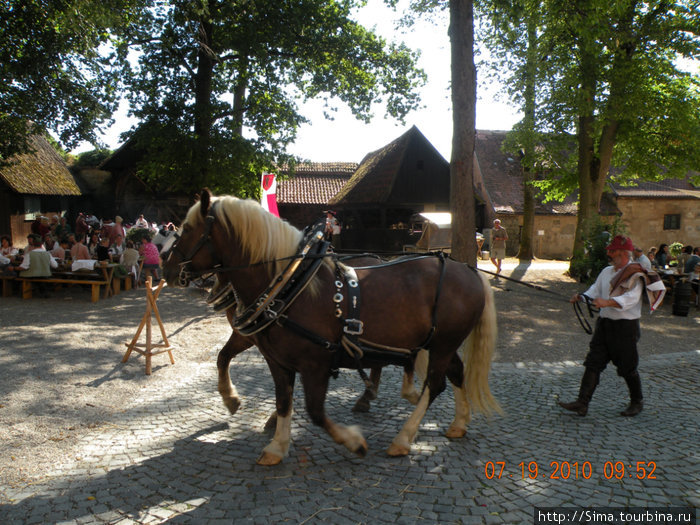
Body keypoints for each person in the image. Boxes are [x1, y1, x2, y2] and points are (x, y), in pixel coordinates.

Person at [559, 235, 666, 418]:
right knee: (593, 363)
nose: (609, 253)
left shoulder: (636, 274)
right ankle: (582, 403)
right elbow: (595, 289)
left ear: (623, 253)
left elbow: (631, 299)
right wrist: (583, 297)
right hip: (605, 325)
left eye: (612, 251)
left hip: (626, 328)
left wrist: (607, 303)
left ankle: (637, 401)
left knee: (627, 367)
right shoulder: (607, 271)